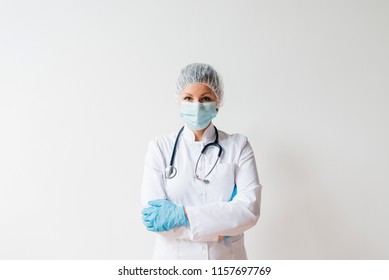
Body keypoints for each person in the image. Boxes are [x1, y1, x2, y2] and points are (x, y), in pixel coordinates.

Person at [141, 63, 262, 260]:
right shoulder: (160, 148)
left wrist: (183, 216)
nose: (196, 106)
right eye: (189, 98)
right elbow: (155, 219)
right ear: (179, 101)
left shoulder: (239, 146)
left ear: (217, 102)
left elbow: (248, 212)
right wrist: (221, 230)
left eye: (205, 99)